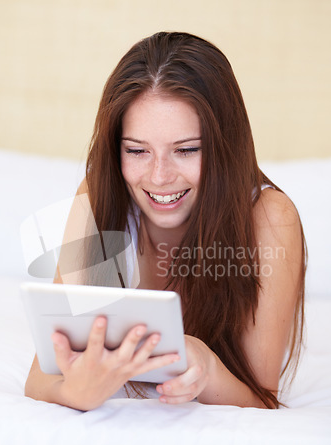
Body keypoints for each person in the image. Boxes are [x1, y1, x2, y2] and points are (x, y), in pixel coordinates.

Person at [25, 31, 306, 411]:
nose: (159, 177)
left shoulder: (271, 219)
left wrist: (205, 365)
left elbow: (260, 398)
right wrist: (75, 392)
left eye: (186, 150)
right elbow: (42, 375)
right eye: (137, 151)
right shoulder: (98, 195)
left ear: (226, 147)